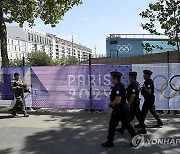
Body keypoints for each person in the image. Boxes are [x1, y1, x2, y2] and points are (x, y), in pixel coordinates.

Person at [101, 71, 137, 147]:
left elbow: (118, 100)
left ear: (115, 78)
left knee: (125, 124)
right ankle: (110, 141)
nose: (111, 79)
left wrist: (111, 103)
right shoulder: (120, 86)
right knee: (114, 125)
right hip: (119, 109)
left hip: (120, 110)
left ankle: (136, 139)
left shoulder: (118, 87)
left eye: (112, 78)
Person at [136, 70, 163, 134]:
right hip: (149, 99)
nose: (143, 76)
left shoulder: (149, 82)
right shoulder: (147, 81)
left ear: (148, 75)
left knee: (142, 114)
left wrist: (144, 88)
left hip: (149, 100)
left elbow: (149, 92)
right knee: (152, 111)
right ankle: (160, 122)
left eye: (144, 75)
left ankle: (143, 129)